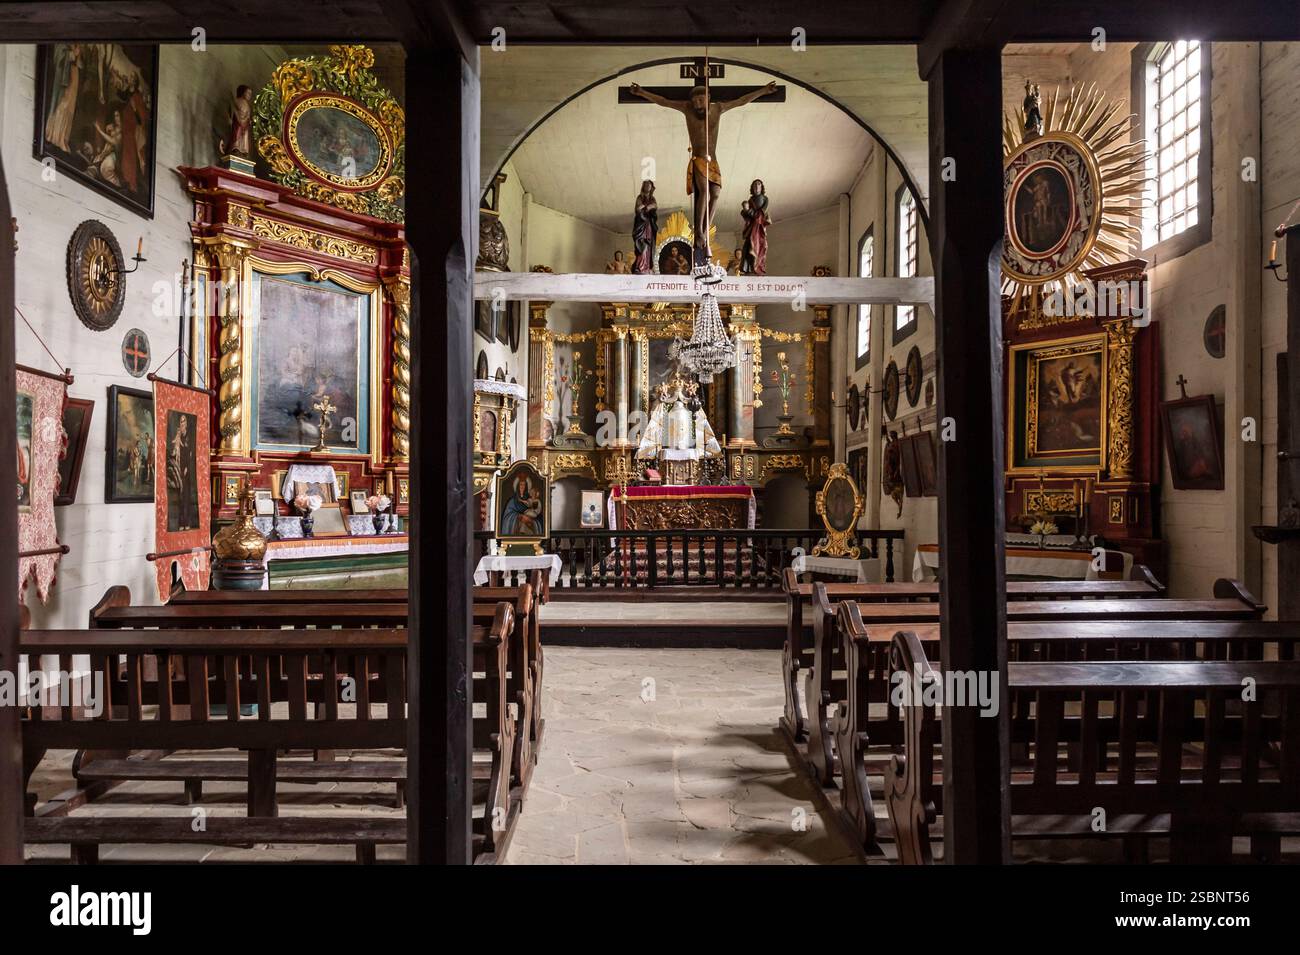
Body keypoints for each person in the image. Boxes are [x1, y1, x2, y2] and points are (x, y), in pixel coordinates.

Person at [630, 79, 776, 266]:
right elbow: (664, 101)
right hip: (698, 159)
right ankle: (698, 230)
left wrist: (764, 90)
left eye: (702, 99)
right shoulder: (686, 108)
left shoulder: (719, 108)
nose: (698, 104)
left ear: (709, 99)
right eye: (696, 100)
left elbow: (741, 100)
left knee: (715, 194)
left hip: (712, 161)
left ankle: (705, 230)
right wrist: (642, 92)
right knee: (704, 192)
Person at [632, 180, 658, 274]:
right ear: (643, 187)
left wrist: (648, 207)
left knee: (648, 245)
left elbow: (655, 205)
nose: (648, 187)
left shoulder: (652, 198)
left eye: (649, 186)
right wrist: (645, 206)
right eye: (646, 185)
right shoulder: (640, 197)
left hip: (649, 224)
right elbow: (637, 208)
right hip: (641, 224)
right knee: (642, 246)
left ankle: (647, 266)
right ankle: (640, 266)